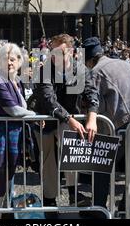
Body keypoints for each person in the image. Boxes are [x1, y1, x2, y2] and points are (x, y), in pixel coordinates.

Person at [83, 37, 130, 213]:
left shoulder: (95, 71)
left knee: (102, 166)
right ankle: (128, 207)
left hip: (120, 123)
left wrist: (90, 118)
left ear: (89, 60)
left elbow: (93, 99)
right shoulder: (127, 65)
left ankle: (99, 209)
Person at [32, 34, 98, 208]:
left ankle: (73, 193)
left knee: (71, 155)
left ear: (71, 52)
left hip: (70, 119)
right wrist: (69, 119)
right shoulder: (44, 70)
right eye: (52, 52)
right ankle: (49, 199)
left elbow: (92, 94)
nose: (55, 56)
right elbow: (48, 99)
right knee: (48, 161)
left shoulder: (81, 70)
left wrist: (92, 118)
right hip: (45, 120)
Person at [0, 43, 36, 218]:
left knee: (7, 185)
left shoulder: (17, 81)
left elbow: (22, 107)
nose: (9, 62)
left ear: (20, 61)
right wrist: (35, 116)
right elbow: (13, 110)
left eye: (13, 59)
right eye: (6, 59)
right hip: (0, 142)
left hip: (13, 140)